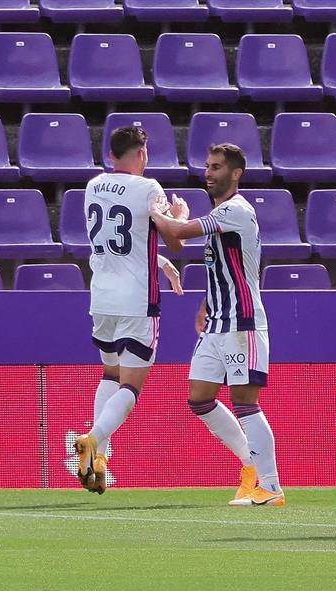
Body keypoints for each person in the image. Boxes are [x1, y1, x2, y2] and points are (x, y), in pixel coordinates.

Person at [150, 143, 283, 507]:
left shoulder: (236, 210)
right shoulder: (219, 215)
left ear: (236, 173)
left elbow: (179, 231)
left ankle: (271, 486)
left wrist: (156, 210)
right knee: (199, 397)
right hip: (217, 321)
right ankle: (250, 466)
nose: (208, 172)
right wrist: (206, 302)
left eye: (217, 167)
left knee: (245, 402)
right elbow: (180, 243)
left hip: (242, 321)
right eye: (208, 166)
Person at [74, 126, 185, 494]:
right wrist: (179, 215)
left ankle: (99, 459)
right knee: (130, 385)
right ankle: (92, 439)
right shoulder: (149, 188)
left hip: (102, 296)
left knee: (110, 373)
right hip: (137, 300)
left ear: (111, 154)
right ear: (142, 154)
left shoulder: (93, 186)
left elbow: (120, 241)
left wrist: (159, 261)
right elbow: (175, 237)